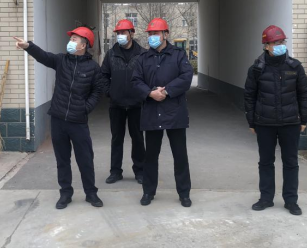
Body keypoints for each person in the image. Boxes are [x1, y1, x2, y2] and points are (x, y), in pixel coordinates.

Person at [14, 27, 105, 210]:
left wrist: (85, 108)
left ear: (84, 45)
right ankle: (65, 193)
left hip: (78, 121)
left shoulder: (93, 68)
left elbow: (98, 90)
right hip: (58, 119)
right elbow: (44, 56)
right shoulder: (62, 60)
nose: (70, 42)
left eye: (75, 39)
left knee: (85, 159)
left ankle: (91, 193)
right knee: (62, 160)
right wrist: (28, 46)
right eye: (71, 39)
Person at [244, 25, 307, 216]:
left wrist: (303, 119)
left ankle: (291, 200)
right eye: (276, 42)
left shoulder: (295, 67)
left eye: (282, 41)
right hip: (265, 123)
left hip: (290, 123)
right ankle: (266, 198)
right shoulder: (256, 69)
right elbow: (249, 96)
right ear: (266, 46)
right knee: (266, 162)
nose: (280, 45)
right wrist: (251, 122)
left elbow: (304, 94)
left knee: (291, 162)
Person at [132, 18, 194, 208]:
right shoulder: (143, 58)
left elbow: (186, 77)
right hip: (152, 112)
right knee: (151, 156)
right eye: (150, 33)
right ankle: (148, 192)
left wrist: (166, 91)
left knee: (180, 155)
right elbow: (135, 81)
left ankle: (184, 193)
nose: (152, 36)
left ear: (165, 34)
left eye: (156, 33)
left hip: (175, 112)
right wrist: (150, 93)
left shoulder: (178, 55)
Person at [101, 19, 147, 185]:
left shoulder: (142, 54)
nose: (120, 35)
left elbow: (148, 76)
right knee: (116, 139)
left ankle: (140, 171)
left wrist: (143, 94)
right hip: (116, 105)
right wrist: (110, 92)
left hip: (137, 104)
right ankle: (115, 172)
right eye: (118, 33)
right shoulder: (111, 54)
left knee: (138, 139)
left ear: (131, 33)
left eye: (123, 32)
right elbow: (103, 75)